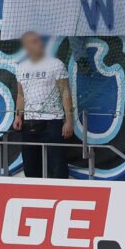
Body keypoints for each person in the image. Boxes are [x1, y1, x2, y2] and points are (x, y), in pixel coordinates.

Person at [13, 31, 74, 179]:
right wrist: (18, 116)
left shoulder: (55, 64)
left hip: (52, 121)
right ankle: (34, 195)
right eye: (33, 41)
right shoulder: (21, 67)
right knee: (30, 164)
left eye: (39, 40)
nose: (39, 43)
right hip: (30, 121)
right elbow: (21, 94)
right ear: (26, 47)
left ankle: (61, 193)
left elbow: (65, 92)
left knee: (57, 164)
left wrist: (69, 121)